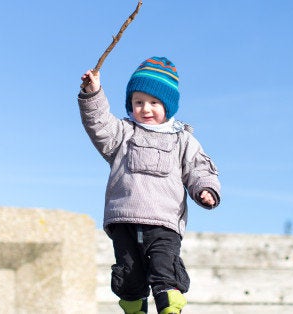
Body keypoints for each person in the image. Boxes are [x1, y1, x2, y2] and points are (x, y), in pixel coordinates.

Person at [77, 57, 221, 314]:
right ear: (130, 104)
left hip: (164, 222)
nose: (146, 108)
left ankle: (170, 309)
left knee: (164, 271)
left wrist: (205, 189)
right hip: (124, 219)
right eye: (138, 102)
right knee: (129, 275)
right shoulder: (122, 134)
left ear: (168, 105)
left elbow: (199, 168)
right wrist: (93, 93)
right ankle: (134, 310)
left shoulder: (182, 140)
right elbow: (98, 122)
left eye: (154, 102)